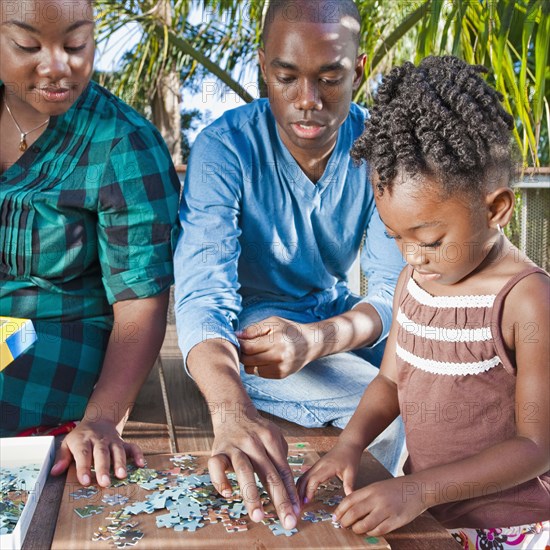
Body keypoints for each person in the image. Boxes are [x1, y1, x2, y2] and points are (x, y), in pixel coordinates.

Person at [297, 56, 550, 548]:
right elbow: (391, 381)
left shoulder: (527, 300)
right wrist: (349, 445)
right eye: (395, 237)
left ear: (496, 208)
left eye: (430, 239)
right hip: (430, 517)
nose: (412, 256)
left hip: (513, 530)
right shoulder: (412, 282)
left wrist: (418, 488)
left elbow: (537, 446)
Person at [174, 0, 405, 530]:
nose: (307, 101)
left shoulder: (379, 151)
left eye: (330, 78)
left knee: (453, 372)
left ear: (359, 70)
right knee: (388, 411)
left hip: (333, 320)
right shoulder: (223, 148)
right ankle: (341, 530)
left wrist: (318, 338)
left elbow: (395, 292)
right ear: (262, 66)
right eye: (286, 77)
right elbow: (202, 297)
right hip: (249, 339)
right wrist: (230, 411)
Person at [0, 0, 180, 488]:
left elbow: (140, 305)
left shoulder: (123, 143)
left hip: (55, 339)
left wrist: (101, 418)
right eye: (27, 45)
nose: (58, 66)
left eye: (76, 44)